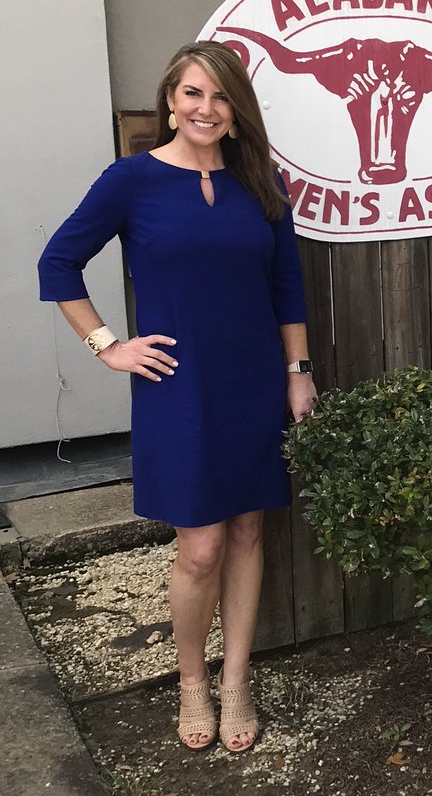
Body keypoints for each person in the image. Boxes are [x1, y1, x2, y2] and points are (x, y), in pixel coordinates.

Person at [38, 41, 317, 753]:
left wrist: (298, 369)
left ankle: (236, 680)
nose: (206, 108)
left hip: (253, 380)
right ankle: (193, 680)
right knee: (201, 546)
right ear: (170, 100)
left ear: (237, 109)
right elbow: (59, 263)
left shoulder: (260, 181)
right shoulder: (131, 181)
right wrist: (109, 345)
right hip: (178, 386)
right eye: (193, 93)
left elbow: (287, 285)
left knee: (248, 531)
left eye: (221, 96)